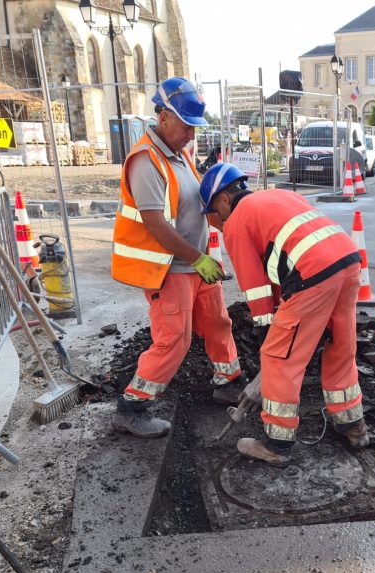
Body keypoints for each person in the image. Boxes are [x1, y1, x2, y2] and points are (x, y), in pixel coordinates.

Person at [199, 162, 370, 466]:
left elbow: (256, 288)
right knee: (340, 346)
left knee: (279, 358)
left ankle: (277, 445)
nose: (215, 222)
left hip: (313, 274)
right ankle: (354, 427)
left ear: (224, 199)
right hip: (347, 261)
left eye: (213, 213)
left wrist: (269, 331)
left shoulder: (237, 223)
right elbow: (281, 269)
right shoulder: (278, 196)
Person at [111, 78, 243, 438]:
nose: (191, 135)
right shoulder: (145, 160)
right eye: (187, 126)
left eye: (194, 128)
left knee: (217, 322)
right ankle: (133, 407)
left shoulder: (179, 153)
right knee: (174, 339)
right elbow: (155, 223)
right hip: (168, 268)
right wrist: (197, 259)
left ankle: (227, 382)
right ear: (165, 116)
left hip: (195, 263)